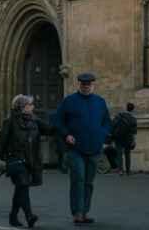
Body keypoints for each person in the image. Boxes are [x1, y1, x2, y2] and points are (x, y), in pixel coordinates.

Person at [55, 72, 112, 225]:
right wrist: (66, 135)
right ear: (79, 85)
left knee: (89, 182)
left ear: (93, 85)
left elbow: (107, 122)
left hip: (94, 148)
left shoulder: (100, 102)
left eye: (89, 85)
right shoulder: (69, 101)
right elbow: (57, 121)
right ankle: (77, 213)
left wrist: (103, 136)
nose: (86, 87)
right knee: (78, 179)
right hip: (75, 149)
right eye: (83, 85)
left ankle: (85, 212)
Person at [0, 93, 42, 228]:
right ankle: (29, 216)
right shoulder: (10, 122)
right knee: (23, 185)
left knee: (20, 189)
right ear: (22, 107)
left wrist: (68, 129)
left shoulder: (34, 120)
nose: (33, 107)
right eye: (30, 104)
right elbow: (0, 142)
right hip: (15, 160)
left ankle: (13, 216)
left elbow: (51, 129)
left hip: (29, 161)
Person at [108, 103, 138, 175]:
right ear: (132, 109)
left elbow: (113, 125)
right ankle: (128, 171)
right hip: (128, 138)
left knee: (119, 154)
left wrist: (111, 136)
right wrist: (133, 140)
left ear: (125, 108)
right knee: (127, 154)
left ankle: (120, 170)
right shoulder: (133, 119)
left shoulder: (119, 115)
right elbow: (134, 132)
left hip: (118, 137)